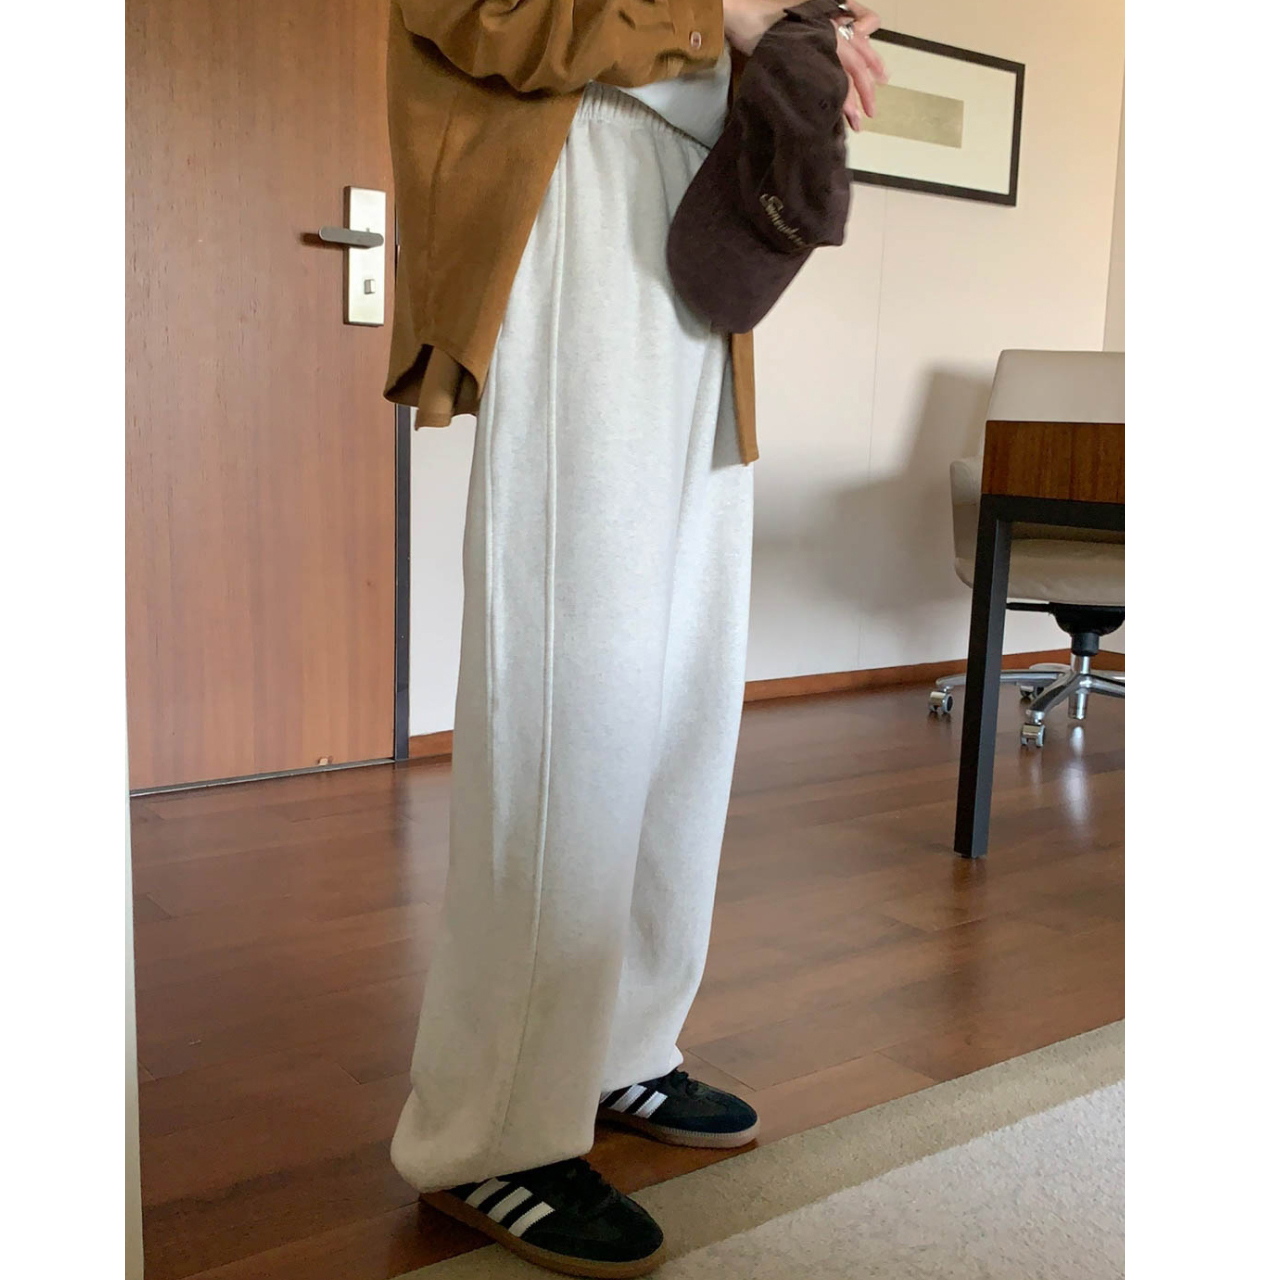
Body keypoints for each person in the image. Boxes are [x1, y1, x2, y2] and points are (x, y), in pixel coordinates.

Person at [382, 2, 885, 1274]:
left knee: (682, 689)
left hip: (705, 217)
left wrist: (797, 37)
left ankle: (619, 1048)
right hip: (582, 174)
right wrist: (722, 14)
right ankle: (490, 1130)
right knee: (576, 681)